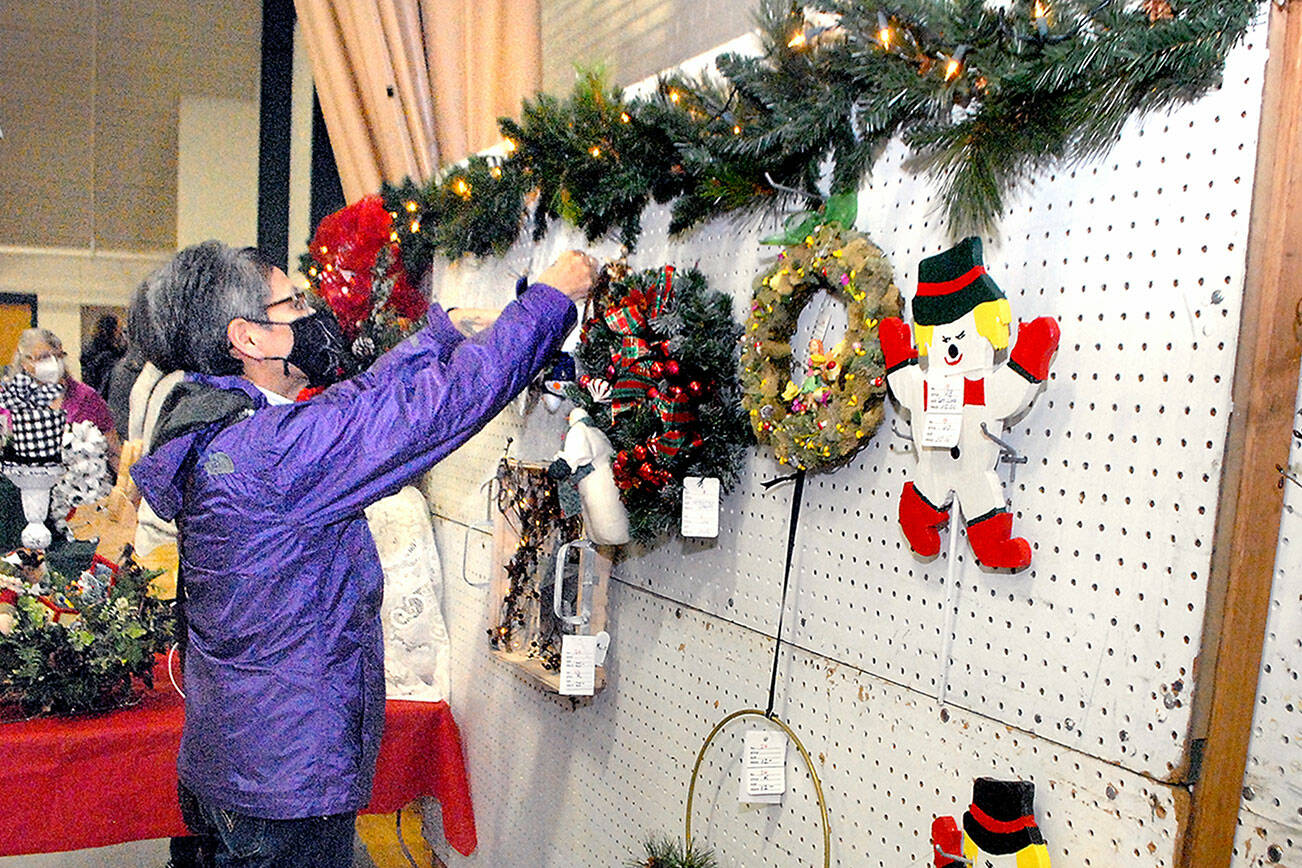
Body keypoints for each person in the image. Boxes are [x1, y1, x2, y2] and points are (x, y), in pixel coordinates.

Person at [129, 240, 595, 867]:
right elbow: (437, 408)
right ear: (250, 338)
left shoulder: (227, 430)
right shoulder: (273, 455)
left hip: (235, 765)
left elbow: (358, 403)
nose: (310, 312)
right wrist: (549, 301)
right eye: (292, 303)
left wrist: (440, 335)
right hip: (284, 788)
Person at [8, 328, 122, 472]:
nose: (54, 363)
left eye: (58, 356)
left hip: (81, 488)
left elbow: (114, 452)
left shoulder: (87, 398)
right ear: (25, 362)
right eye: (44, 357)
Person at [79, 313, 127, 396]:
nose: (121, 332)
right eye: (120, 329)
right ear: (113, 330)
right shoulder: (108, 356)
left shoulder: (89, 350)